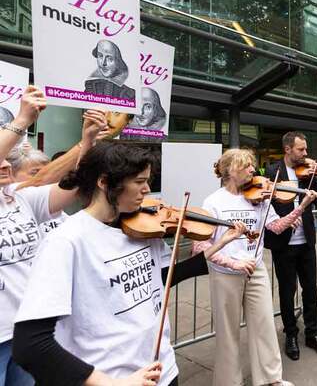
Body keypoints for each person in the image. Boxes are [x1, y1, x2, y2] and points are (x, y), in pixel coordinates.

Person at [12, 142, 245, 386]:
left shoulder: (145, 229)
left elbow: (163, 278)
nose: (147, 190)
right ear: (104, 182)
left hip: (162, 369)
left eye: (148, 181)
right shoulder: (65, 241)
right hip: (114, 377)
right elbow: (31, 345)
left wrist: (219, 246)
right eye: (138, 181)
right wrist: (111, 383)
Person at [0, 87, 105, 386]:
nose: (7, 164)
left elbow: (71, 188)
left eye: (9, 159)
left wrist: (87, 143)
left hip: (23, 332)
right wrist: (22, 118)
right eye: (2, 158)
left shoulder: (21, 198)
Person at [193, 148, 316, 386]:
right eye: (246, 166)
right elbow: (200, 247)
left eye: (252, 165)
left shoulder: (258, 197)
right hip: (226, 274)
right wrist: (233, 263)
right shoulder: (213, 201)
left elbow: (277, 227)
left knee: (264, 325)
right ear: (229, 170)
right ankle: (229, 382)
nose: (253, 170)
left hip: (256, 270)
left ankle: (271, 379)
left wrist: (301, 207)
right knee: (227, 333)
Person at [264, 131, 317, 361]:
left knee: (310, 289)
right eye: (301, 150)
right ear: (288, 149)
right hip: (284, 243)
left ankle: (313, 333)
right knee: (286, 290)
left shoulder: (308, 174)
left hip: (306, 241)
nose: (306, 154)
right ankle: (290, 334)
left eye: (306, 149)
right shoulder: (273, 171)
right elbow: (268, 199)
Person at [7, 144, 68, 235]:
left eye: (47, 173)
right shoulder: (7, 217)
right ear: (10, 174)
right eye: (35, 173)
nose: (46, 179)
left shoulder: (55, 209)